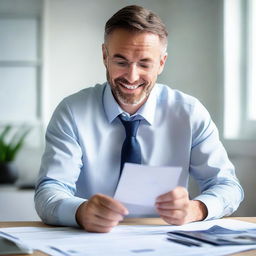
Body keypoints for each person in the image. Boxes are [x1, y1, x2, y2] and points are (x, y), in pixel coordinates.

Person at [35, 5, 243, 233]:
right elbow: (48, 191)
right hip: (90, 240)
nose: (132, 76)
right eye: (121, 62)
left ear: (162, 63)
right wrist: (80, 212)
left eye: (144, 63)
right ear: (105, 56)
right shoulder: (72, 112)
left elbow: (228, 187)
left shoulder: (189, 113)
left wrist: (197, 209)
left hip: (168, 241)